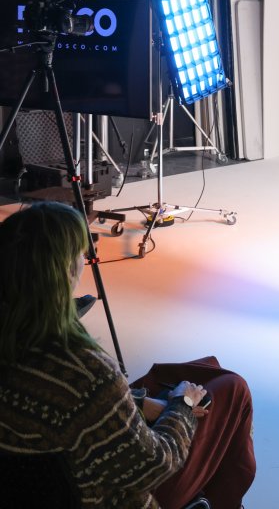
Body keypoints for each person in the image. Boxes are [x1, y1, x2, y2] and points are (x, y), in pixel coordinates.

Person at [0, 201, 256, 509]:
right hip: (112, 495)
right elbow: (155, 465)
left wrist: (138, 402)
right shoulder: (85, 373)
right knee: (231, 389)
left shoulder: (21, 345)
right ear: (64, 270)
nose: (86, 259)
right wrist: (183, 407)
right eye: (81, 253)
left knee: (196, 373)